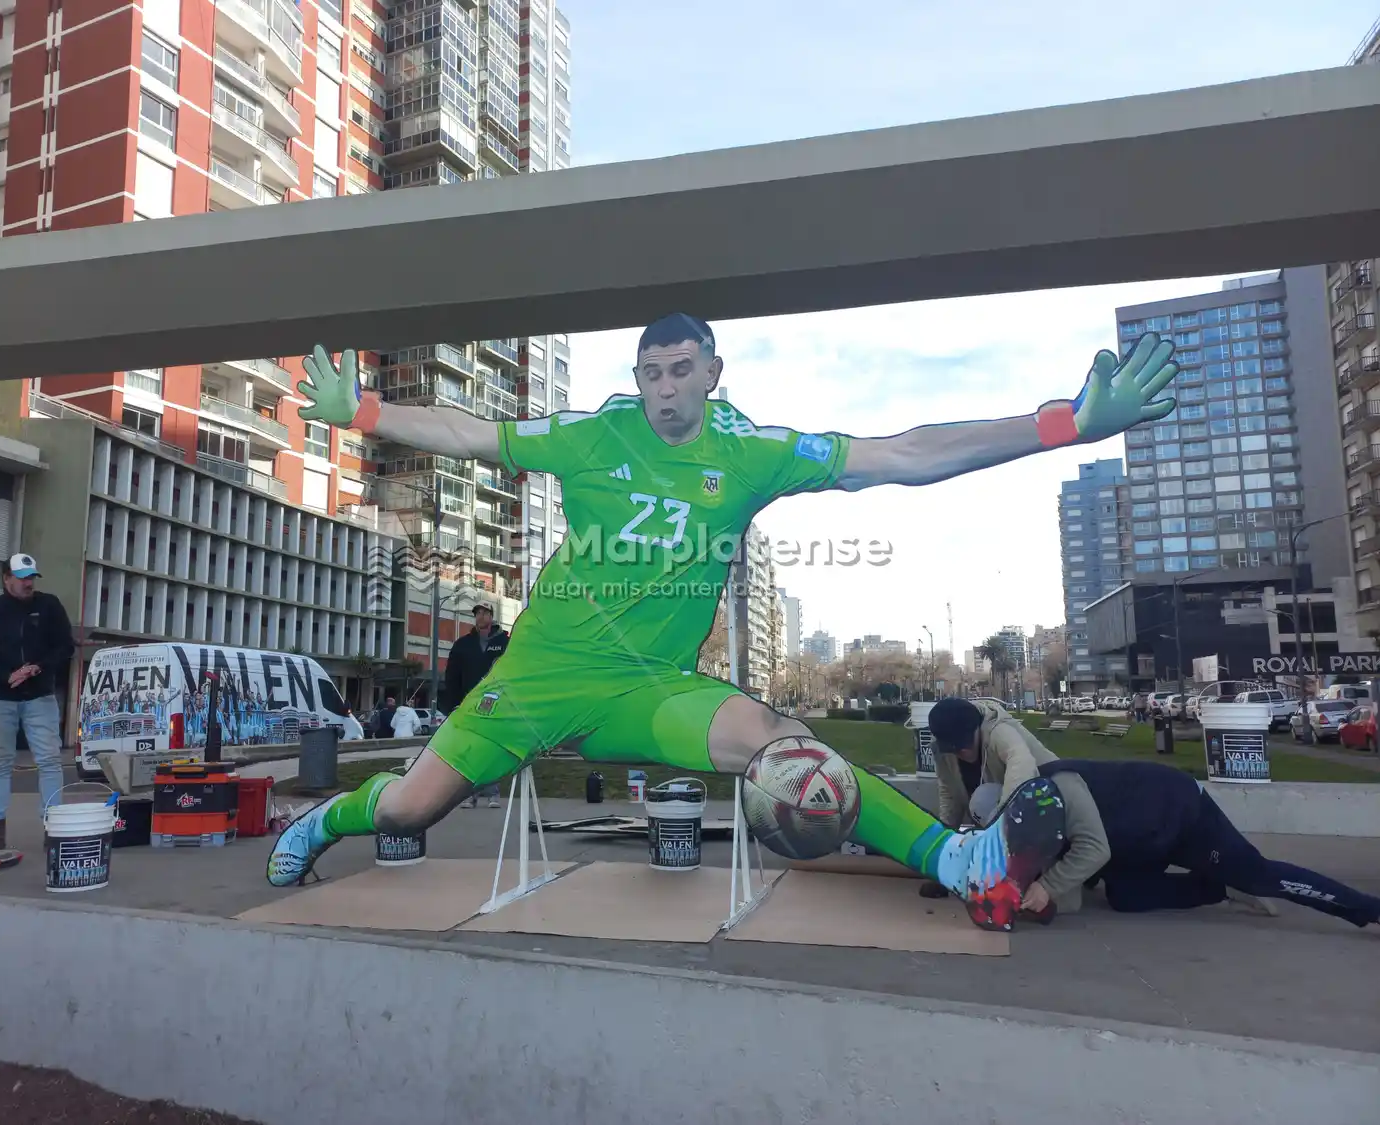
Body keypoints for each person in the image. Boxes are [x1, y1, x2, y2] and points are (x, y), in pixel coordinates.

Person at [268, 315, 1179, 931]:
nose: (665, 389)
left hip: (649, 691)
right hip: (535, 682)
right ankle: (325, 820)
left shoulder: (748, 452)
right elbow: (472, 431)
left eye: (681, 371)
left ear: (712, 372)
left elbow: (902, 453)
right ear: (638, 379)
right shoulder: (592, 437)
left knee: (786, 744)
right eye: (650, 373)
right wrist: (369, 413)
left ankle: (963, 860)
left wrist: (1060, 424)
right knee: (409, 807)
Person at [1018, 759, 1380, 928]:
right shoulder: (1035, 808)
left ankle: (1366, 909)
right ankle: (1220, 887)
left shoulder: (1060, 789)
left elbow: (1093, 851)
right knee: (1126, 898)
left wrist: (1046, 888)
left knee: (1259, 875)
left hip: (1181, 813)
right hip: (1135, 837)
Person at [0, 553, 75, 850]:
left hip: (40, 695)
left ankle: (54, 824)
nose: (28, 584)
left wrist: (37, 667)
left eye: (32, 578)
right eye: (22, 578)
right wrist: (5, 676)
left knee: (50, 760)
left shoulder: (48, 606)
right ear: (7, 578)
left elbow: (65, 646)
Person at [915, 696, 1060, 907]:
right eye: (954, 747)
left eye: (964, 744)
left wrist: (1002, 825)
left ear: (977, 729)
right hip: (1002, 821)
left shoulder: (998, 730)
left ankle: (1029, 877)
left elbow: (1022, 762)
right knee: (980, 804)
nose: (961, 752)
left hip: (1046, 809)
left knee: (983, 798)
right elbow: (949, 796)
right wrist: (944, 847)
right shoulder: (943, 751)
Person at [445, 603, 510, 809]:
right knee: (469, 750)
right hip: (468, 704)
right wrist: (453, 704)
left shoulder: (504, 643)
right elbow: (452, 676)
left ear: (492, 616)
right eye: (477, 614)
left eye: (484, 613)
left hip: (495, 703)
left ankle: (492, 793)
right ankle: (469, 794)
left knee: (490, 749)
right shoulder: (463, 644)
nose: (480, 617)